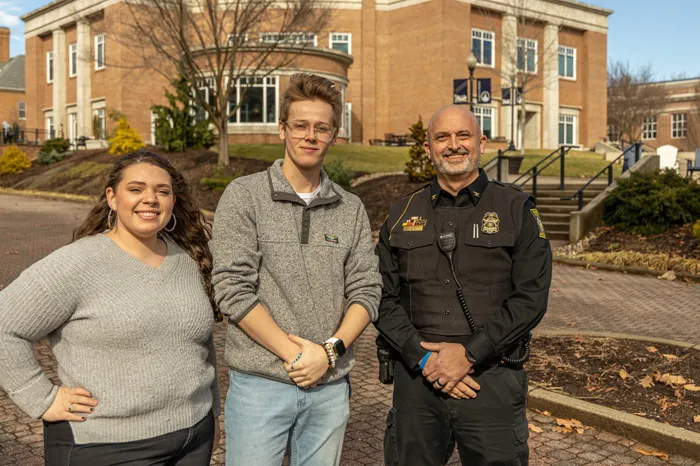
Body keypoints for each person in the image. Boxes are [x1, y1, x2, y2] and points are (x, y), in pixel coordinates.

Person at [0, 150, 222, 465]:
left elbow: (200, 342)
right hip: (106, 447)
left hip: (192, 440)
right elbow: (5, 324)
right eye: (136, 189)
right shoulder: (77, 263)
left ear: (173, 201)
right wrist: (39, 396)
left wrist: (212, 413)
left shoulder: (186, 260)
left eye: (162, 191)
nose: (151, 199)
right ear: (112, 198)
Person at [210, 73, 382, 466]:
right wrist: (297, 357)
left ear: (334, 135)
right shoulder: (245, 195)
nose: (310, 136)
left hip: (329, 387)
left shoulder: (349, 207)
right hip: (260, 386)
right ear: (282, 129)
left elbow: (366, 290)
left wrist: (329, 353)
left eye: (321, 128)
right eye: (300, 125)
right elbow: (233, 289)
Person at [375, 105, 552, 465]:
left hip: (491, 377)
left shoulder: (516, 208)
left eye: (463, 135)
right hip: (418, 381)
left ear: (481, 143)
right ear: (428, 149)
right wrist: (425, 358)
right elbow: (380, 295)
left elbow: (531, 298)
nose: (453, 145)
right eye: (442, 137)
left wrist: (468, 355)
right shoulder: (400, 214)